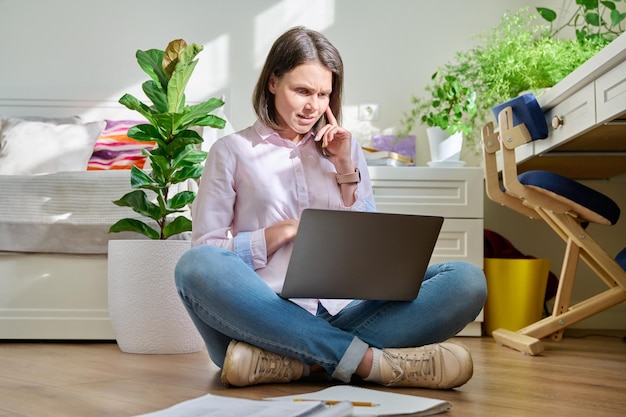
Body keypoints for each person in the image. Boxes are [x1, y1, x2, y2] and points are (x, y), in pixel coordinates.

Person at [175, 26, 487, 389]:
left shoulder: (345, 151)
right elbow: (208, 250)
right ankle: (370, 363)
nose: (313, 106)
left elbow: (368, 246)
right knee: (193, 266)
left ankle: (298, 364)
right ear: (273, 82)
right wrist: (277, 234)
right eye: (302, 91)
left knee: (466, 281)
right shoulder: (231, 152)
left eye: (324, 94)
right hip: (263, 316)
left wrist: (343, 169)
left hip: (347, 309)